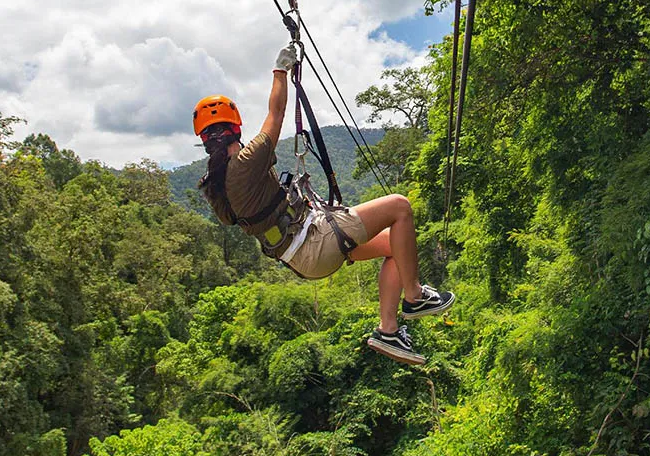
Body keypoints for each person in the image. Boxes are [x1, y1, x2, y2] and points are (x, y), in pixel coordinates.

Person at [193, 43, 455, 365]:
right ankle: (414, 296)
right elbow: (276, 115)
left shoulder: (217, 185)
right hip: (314, 242)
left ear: (204, 140)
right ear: (236, 127)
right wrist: (280, 70)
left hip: (301, 255)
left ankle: (388, 330)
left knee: (394, 247)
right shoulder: (245, 163)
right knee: (399, 206)